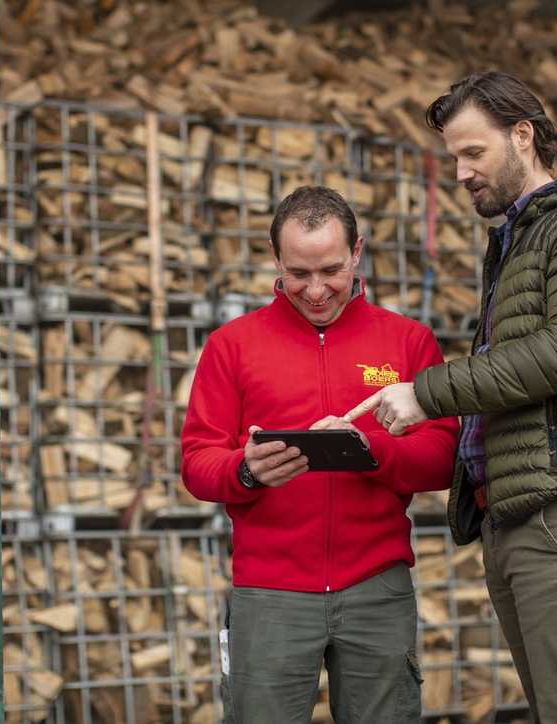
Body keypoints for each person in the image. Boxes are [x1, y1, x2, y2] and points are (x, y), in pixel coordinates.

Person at [345, 72, 557, 723]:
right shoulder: (520, 240)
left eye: (473, 152)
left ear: (522, 135)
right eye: (453, 157)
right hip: (519, 513)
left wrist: (428, 394)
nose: (459, 172)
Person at [181, 185, 458, 724]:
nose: (314, 290)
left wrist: (369, 450)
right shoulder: (231, 346)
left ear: (357, 252)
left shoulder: (408, 341)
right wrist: (245, 469)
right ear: (274, 258)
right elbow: (196, 460)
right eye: (298, 273)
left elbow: (444, 456)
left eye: (331, 270)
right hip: (269, 591)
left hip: (377, 586)